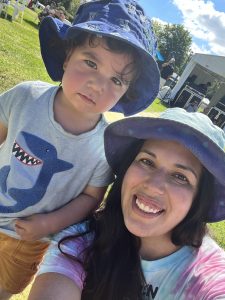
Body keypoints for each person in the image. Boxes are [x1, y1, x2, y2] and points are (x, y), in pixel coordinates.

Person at [0, 0, 160, 298]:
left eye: (116, 80)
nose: (98, 84)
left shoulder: (104, 145)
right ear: (66, 56)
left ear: (127, 91)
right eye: (90, 62)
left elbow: (90, 199)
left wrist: (48, 224)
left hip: (27, 239)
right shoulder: (25, 97)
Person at [29, 108, 225, 300]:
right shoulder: (81, 243)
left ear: (199, 198)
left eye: (180, 177)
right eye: (147, 161)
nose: (153, 185)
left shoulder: (208, 274)